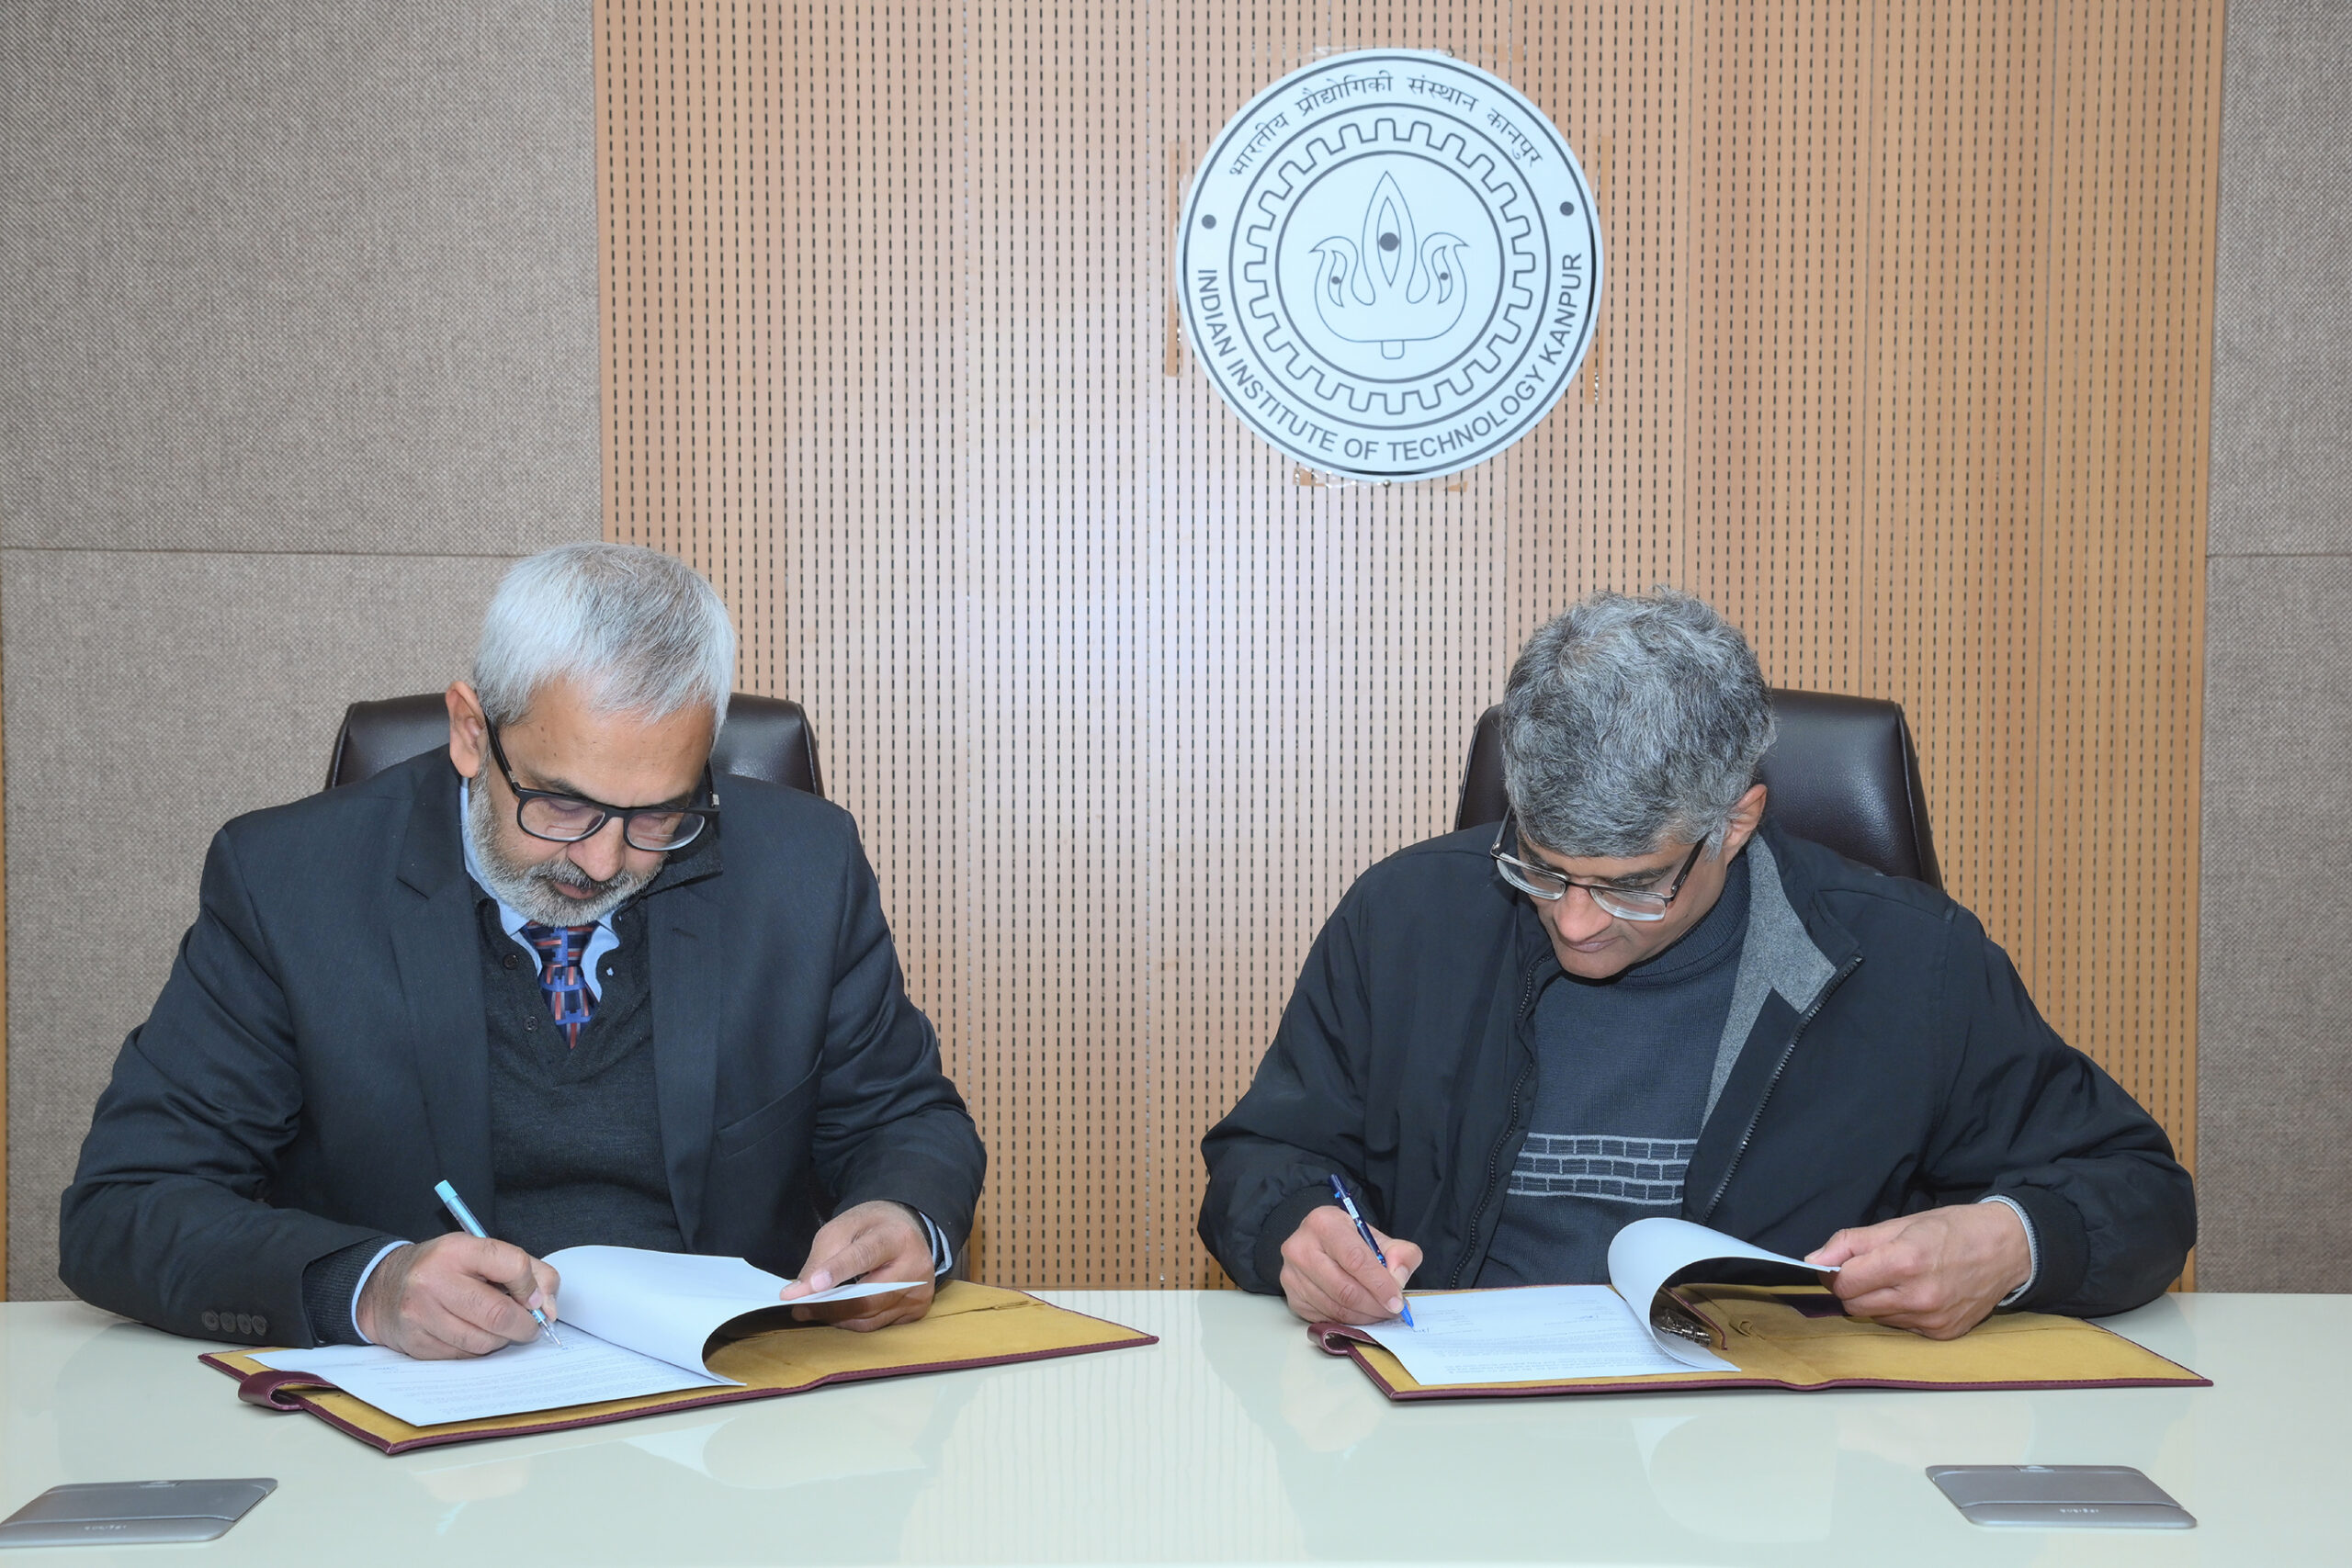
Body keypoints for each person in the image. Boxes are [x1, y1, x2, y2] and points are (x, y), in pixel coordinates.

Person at [62, 543, 984, 1357]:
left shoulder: (803, 868)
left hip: (723, 1413)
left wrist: (902, 1216)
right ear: (472, 733)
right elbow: (128, 1202)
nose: (603, 861)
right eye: (564, 804)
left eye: (658, 813)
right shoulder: (289, 883)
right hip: (421, 1433)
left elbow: (905, 1120)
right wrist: (368, 1287)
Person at [1200, 589, 2194, 1339]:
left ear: (1737, 822)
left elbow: (2141, 1190)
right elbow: (1263, 1156)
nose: (1576, 922)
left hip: (1780, 1463)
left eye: (1633, 884)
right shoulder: (1406, 919)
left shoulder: (1909, 960)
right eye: (1541, 867)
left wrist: (2010, 1244)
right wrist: (1295, 1228)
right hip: (1460, 1441)